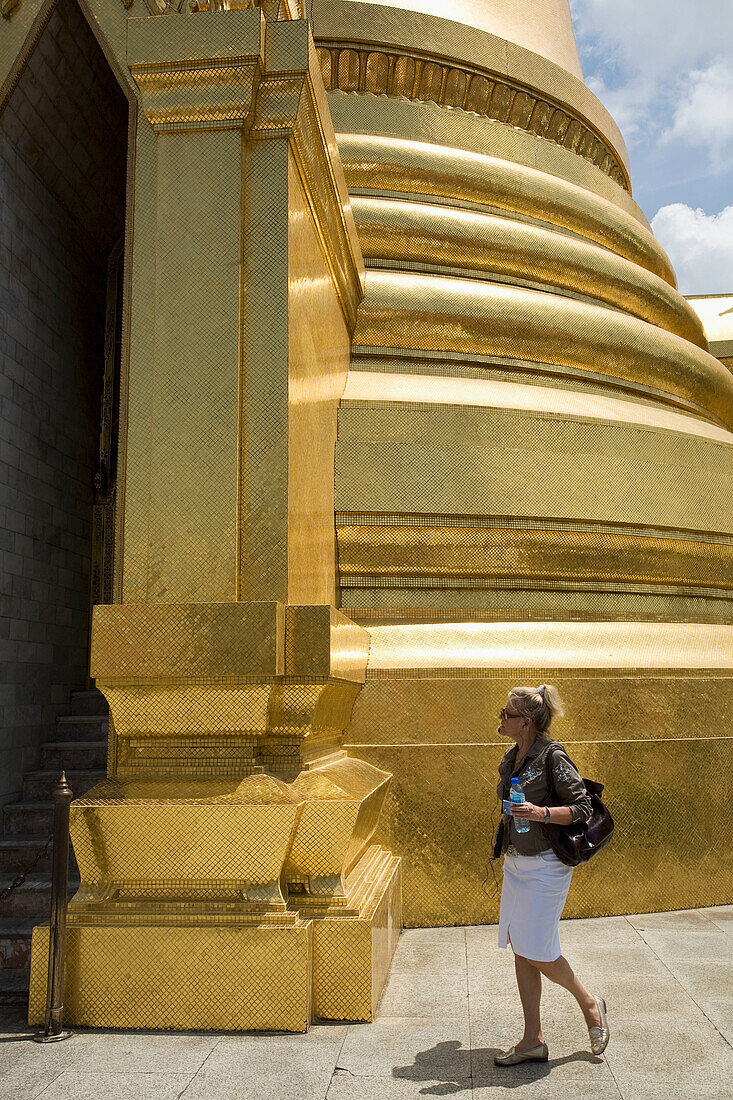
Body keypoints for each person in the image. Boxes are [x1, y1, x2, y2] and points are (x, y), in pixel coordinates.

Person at [493, 684, 610, 1065]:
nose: (501, 717)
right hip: (517, 864)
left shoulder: (553, 756)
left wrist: (540, 813)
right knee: (522, 949)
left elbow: (582, 808)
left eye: (506, 713)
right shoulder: (513, 756)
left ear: (525, 721)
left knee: (539, 950)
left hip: (546, 867)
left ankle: (589, 1003)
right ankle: (533, 1040)